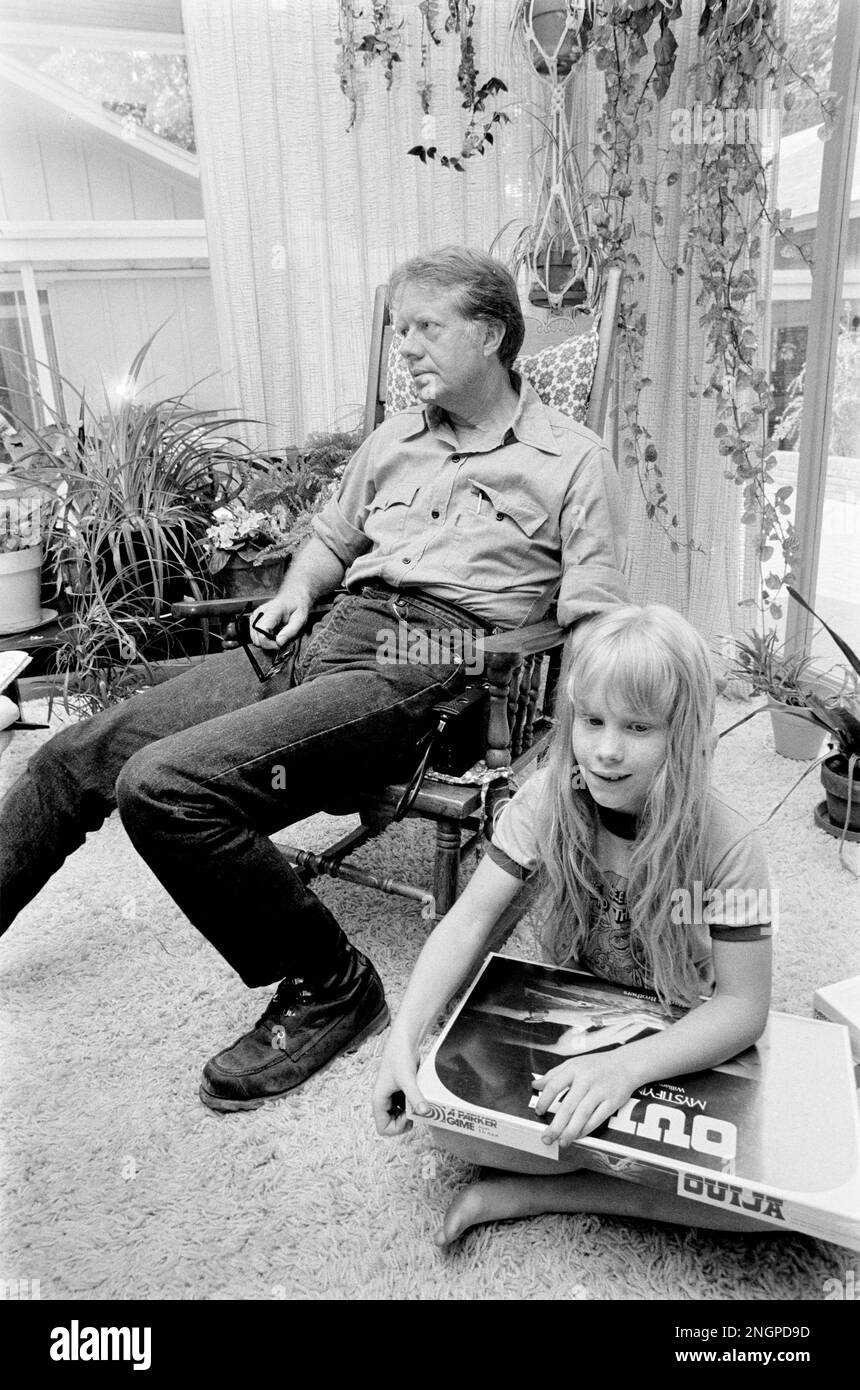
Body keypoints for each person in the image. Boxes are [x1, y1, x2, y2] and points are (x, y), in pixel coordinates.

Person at [0, 246, 628, 1113]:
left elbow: (593, 618)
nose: (402, 347)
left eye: (423, 328)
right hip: (320, 635)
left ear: (489, 335)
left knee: (166, 787)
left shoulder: (573, 461)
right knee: (75, 755)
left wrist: (585, 744)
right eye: (396, 328)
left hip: (430, 661)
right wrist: (296, 593)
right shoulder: (393, 440)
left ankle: (332, 984)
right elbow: (334, 539)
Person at [372, 604, 775, 1245]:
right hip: (577, 1015)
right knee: (444, 1120)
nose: (607, 751)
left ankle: (540, 1191)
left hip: (676, 1035)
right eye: (592, 721)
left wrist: (627, 1070)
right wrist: (402, 1040)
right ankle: (591, 1172)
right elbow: (467, 923)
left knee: (756, 1200)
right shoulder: (545, 800)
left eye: (639, 727)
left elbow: (745, 1007)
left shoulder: (732, 845)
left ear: (690, 734)